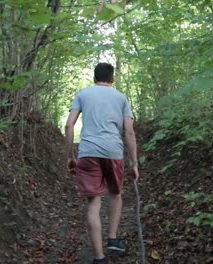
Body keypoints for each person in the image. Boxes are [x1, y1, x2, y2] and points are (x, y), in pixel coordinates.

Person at [65, 63, 139, 264]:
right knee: (115, 194)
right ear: (112, 79)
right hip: (113, 151)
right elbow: (129, 132)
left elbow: (69, 124)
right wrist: (134, 163)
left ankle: (99, 258)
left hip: (88, 152)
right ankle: (113, 239)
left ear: (93, 78)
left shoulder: (83, 94)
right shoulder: (121, 97)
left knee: (93, 202)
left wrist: (71, 155)